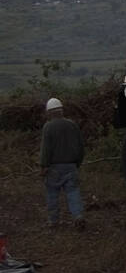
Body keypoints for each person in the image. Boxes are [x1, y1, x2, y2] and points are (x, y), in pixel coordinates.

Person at [40, 98, 85, 230]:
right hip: (71, 166)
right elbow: (81, 147)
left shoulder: (48, 127)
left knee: (52, 194)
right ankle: (78, 216)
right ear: (61, 110)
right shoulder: (72, 125)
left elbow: (45, 150)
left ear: (49, 112)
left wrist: (44, 166)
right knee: (73, 192)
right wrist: (77, 163)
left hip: (54, 168)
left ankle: (54, 221)